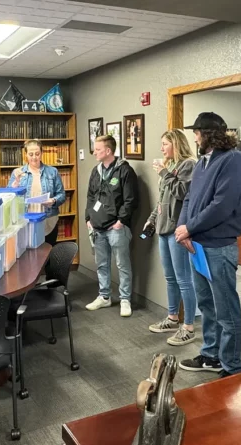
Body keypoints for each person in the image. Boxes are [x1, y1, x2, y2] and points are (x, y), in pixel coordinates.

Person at [175, 112, 241, 376]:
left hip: (219, 247)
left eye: (197, 133)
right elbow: (188, 199)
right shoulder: (202, 163)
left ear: (209, 134)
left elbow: (222, 206)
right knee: (206, 305)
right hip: (197, 245)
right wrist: (183, 230)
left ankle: (232, 365)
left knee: (226, 309)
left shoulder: (233, 160)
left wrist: (189, 228)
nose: (195, 138)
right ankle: (211, 355)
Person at [145, 129, 198, 345]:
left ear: (176, 144)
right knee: (170, 278)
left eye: (165, 144)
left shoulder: (188, 164)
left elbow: (183, 193)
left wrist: (164, 173)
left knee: (184, 280)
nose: (161, 148)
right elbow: (163, 200)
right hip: (163, 228)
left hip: (178, 230)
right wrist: (152, 219)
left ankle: (189, 327)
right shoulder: (171, 166)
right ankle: (173, 318)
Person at [85, 134, 139, 317]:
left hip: (116, 227)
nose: (94, 152)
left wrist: (120, 221)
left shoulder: (125, 171)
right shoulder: (96, 171)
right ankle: (104, 296)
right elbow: (91, 196)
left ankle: (125, 299)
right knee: (101, 264)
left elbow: (131, 200)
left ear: (108, 151)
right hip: (97, 227)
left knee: (122, 264)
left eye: (97, 149)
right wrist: (88, 218)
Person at [8, 139, 66, 245]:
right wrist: (15, 183)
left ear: (42, 153)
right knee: (27, 253)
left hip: (48, 221)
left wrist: (53, 200)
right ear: (25, 155)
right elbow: (9, 197)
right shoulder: (17, 173)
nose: (34, 157)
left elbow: (62, 195)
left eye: (37, 154)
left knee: (48, 252)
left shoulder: (52, 172)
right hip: (26, 222)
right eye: (31, 154)